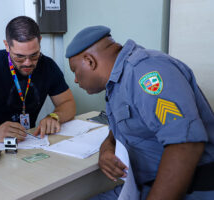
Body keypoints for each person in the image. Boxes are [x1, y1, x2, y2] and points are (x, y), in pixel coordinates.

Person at [65, 25, 214, 199]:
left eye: (75, 71)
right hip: (139, 186)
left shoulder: (146, 72)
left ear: (90, 61)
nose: (75, 80)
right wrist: (107, 147)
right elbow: (129, 125)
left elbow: (185, 145)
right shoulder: (118, 82)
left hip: (187, 190)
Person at [0, 16, 76, 142]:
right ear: (7, 45)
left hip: (25, 141)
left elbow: (68, 103)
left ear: (40, 41)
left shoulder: (48, 66)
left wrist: (54, 117)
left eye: (34, 55)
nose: (28, 63)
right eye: (19, 57)